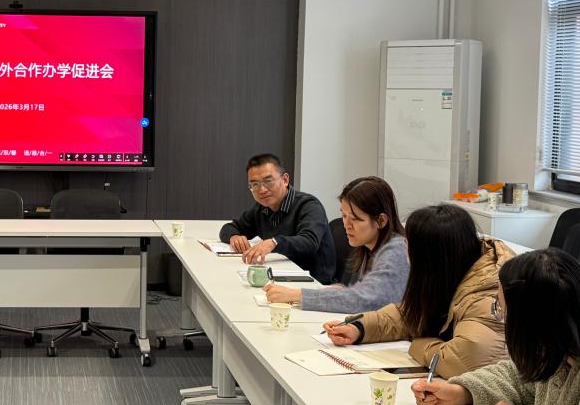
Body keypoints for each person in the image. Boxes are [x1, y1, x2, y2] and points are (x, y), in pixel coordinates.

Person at [411, 248, 580, 405]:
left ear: (534, 322)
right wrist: (462, 392)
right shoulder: (560, 349)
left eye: (504, 312)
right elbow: (519, 377)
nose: (502, 321)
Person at [323, 203, 513, 378]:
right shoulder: (453, 270)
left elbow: (460, 362)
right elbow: (411, 314)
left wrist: (419, 344)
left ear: (430, 255)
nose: (405, 250)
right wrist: (360, 328)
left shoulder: (488, 292)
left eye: (409, 245)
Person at [264, 176, 407, 312]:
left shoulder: (397, 251)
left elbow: (366, 300)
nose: (347, 225)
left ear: (381, 220)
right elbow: (356, 291)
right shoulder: (368, 248)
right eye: (344, 216)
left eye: (355, 219)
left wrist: (296, 295)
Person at [219, 153, 336, 283]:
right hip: (278, 273)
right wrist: (234, 236)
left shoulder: (309, 205)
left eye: (268, 181)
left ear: (285, 180)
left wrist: (274, 243)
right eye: (255, 184)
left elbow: (309, 241)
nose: (262, 190)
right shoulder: (261, 208)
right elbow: (230, 227)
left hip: (312, 281)